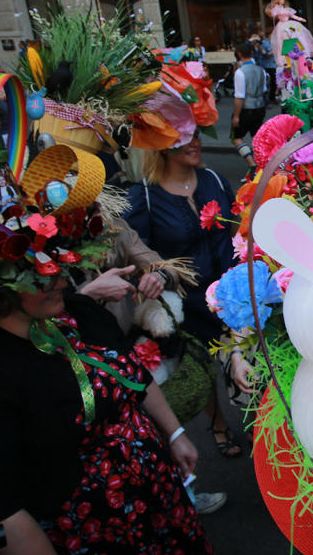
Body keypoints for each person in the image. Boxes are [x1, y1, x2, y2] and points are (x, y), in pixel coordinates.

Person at [0, 278, 213, 554]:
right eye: (40, 278)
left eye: (57, 263)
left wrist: (174, 432)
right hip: (93, 530)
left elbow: (134, 372)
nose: (61, 281)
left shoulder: (77, 311)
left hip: (160, 491)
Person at [124, 130, 243, 459]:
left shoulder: (215, 180)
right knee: (202, 367)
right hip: (189, 303)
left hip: (232, 291)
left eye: (194, 135)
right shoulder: (144, 196)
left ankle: (259, 421)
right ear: (159, 146)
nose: (194, 143)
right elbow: (140, 255)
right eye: (181, 138)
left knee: (244, 358)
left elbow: (235, 228)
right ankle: (218, 423)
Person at [231, 41, 266, 170]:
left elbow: (239, 97)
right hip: (260, 107)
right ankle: (262, 164)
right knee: (256, 137)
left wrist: (236, 116)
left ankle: (252, 164)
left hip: (247, 109)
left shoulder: (240, 72)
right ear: (252, 53)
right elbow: (264, 89)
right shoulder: (261, 70)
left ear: (239, 54)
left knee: (237, 137)